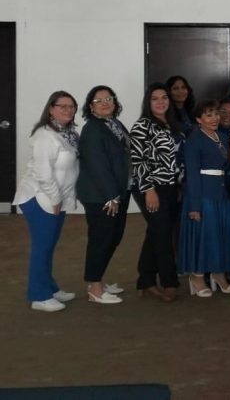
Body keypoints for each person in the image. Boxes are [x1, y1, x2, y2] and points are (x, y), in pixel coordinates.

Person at [13, 91, 80, 312]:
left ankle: (49, 287)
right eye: (62, 106)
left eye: (72, 106)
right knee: (42, 248)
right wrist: (55, 198)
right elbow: (43, 173)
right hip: (40, 198)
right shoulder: (45, 135)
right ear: (51, 109)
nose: (68, 110)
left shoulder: (67, 133)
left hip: (56, 199)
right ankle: (39, 296)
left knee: (49, 246)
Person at [179, 100, 230, 298]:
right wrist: (194, 206)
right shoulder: (194, 140)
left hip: (220, 193)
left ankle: (218, 271)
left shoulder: (222, 137)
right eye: (208, 115)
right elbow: (192, 174)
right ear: (199, 119)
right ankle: (197, 276)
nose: (214, 118)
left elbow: (229, 166)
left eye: (215, 114)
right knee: (204, 235)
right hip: (202, 194)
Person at [76, 85, 131, 304]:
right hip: (101, 196)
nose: (105, 103)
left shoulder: (114, 123)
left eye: (109, 98)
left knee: (113, 237)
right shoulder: (92, 129)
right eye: (99, 101)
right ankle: (95, 288)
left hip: (118, 191)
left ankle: (97, 279)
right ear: (91, 107)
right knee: (101, 239)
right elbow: (97, 165)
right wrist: (111, 196)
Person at [129, 83, 184, 302]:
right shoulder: (142, 126)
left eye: (164, 97)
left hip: (170, 185)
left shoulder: (171, 124)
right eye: (155, 98)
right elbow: (137, 160)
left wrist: (179, 184)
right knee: (162, 234)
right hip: (150, 186)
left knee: (156, 231)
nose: (161, 102)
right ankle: (169, 283)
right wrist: (149, 189)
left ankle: (145, 279)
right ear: (148, 102)